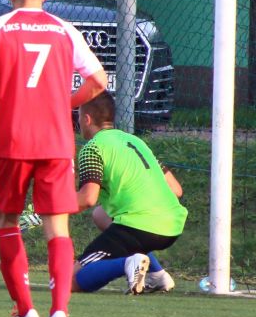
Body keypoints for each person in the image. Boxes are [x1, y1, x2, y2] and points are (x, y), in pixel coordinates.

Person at [0, 0, 107, 317]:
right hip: (56, 141)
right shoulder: (64, 29)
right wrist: (63, 104)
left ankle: (26, 311)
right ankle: (60, 312)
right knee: (57, 227)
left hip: (12, 139)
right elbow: (98, 80)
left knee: (7, 221)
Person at [72, 91, 185, 293]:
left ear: (87, 119)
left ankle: (127, 263)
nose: (78, 122)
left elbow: (87, 198)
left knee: (67, 281)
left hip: (138, 226)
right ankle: (157, 275)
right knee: (100, 215)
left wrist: (50, 207)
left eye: (79, 116)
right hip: (172, 226)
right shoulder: (135, 142)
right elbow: (176, 190)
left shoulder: (92, 148)